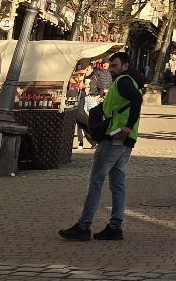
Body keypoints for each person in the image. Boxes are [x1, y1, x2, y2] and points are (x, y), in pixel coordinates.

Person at [60, 50, 142, 242]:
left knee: (96, 181)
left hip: (114, 137)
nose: (111, 69)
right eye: (110, 66)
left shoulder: (123, 81)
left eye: (115, 66)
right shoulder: (134, 82)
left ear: (125, 66)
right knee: (118, 183)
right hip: (125, 140)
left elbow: (136, 101)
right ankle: (115, 227)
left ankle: (83, 226)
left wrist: (128, 126)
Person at [75, 79, 101, 149]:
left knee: (86, 124)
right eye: (81, 83)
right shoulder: (76, 90)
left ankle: (94, 142)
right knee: (85, 124)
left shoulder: (82, 92)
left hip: (80, 111)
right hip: (78, 111)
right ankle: (94, 142)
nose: (83, 85)